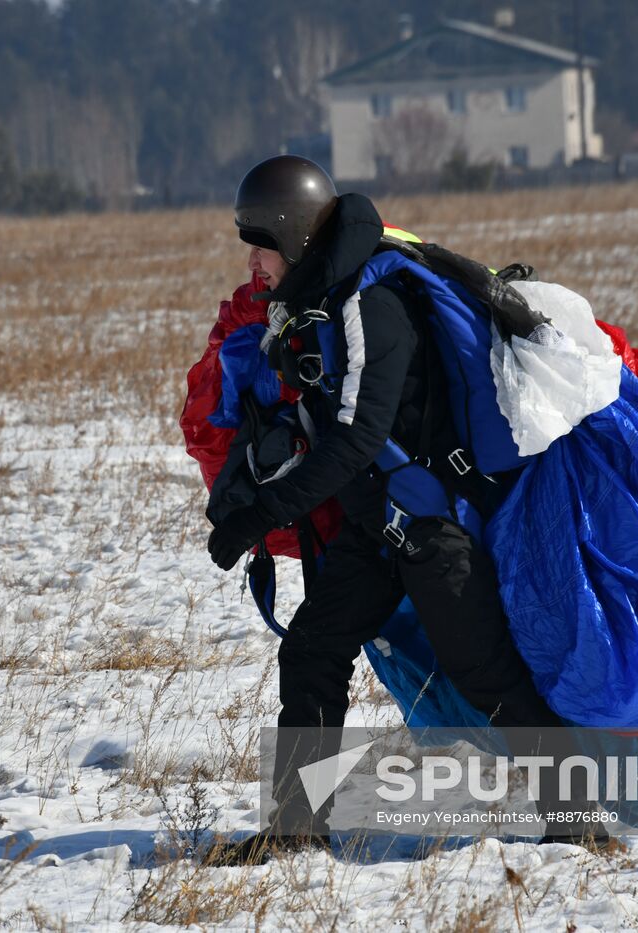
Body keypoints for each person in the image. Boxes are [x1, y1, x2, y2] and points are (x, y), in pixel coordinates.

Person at [202, 155, 603, 865]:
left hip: (428, 528)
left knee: (486, 674)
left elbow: (357, 439)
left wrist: (257, 517)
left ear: (295, 234)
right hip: (377, 529)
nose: (253, 263)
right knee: (313, 649)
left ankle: (581, 822)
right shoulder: (319, 299)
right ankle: (297, 828)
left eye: (260, 244)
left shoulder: (369, 302)